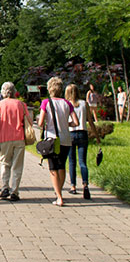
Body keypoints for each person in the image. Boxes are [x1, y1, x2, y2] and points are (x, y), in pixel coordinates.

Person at [37, 77, 79, 207]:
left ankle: (59, 196)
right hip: (66, 138)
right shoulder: (67, 103)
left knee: (53, 167)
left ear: (49, 89)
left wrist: (46, 124)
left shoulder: (46, 102)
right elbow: (76, 122)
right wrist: (66, 123)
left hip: (52, 138)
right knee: (62, 166)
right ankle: (59, 192)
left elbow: (40, 123)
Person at [0, 82, 32, 201]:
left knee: (5, 163)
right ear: (14, 91)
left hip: (4, 138)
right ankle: (14, 191)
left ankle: (5, 188)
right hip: (19, 137)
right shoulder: (21, 104)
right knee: (17, 166)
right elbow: (29, 120)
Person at [65, 84, 100, 199]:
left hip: (70, 133)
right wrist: (96, 135)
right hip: (82, 133)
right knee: (82, 162)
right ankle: (85, 185)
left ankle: (73, 186)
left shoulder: (66, 104)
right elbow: (90, 121)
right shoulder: (84, 104)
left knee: (71, 161)